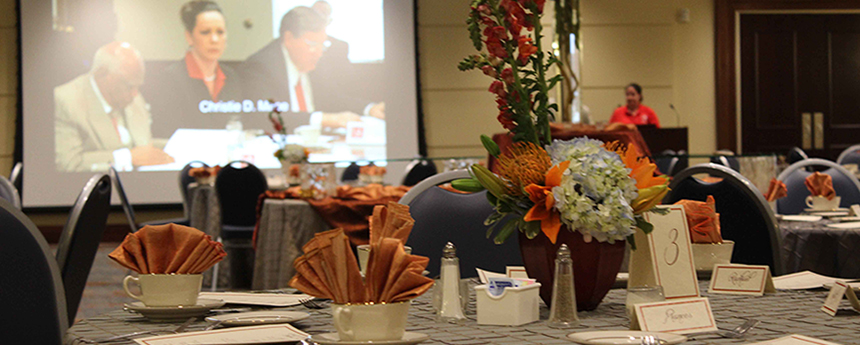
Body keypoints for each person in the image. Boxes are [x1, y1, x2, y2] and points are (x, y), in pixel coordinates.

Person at [241, 6, 384, 131]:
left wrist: (369, 108)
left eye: (323, 44)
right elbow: (269, 116)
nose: (319, 52)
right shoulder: (261, 66)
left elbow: (333, 98)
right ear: (289, 38)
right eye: (313, 44)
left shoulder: (317, 61)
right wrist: (324, 119)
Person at [54, 42, 174, 172]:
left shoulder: (133, 96)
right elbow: (69, 164)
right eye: (129, 86)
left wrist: (176, 146)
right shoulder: (66, 101)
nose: (135, 94)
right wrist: (127, 157)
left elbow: (143, 147)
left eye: (138, 86)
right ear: (102, 74)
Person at [149, 0, 243, 137]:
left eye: (220, 32)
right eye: (205, 32)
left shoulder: (231, 77)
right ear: (189, 36)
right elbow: (164, 133)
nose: (215, 39)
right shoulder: (169, 79)